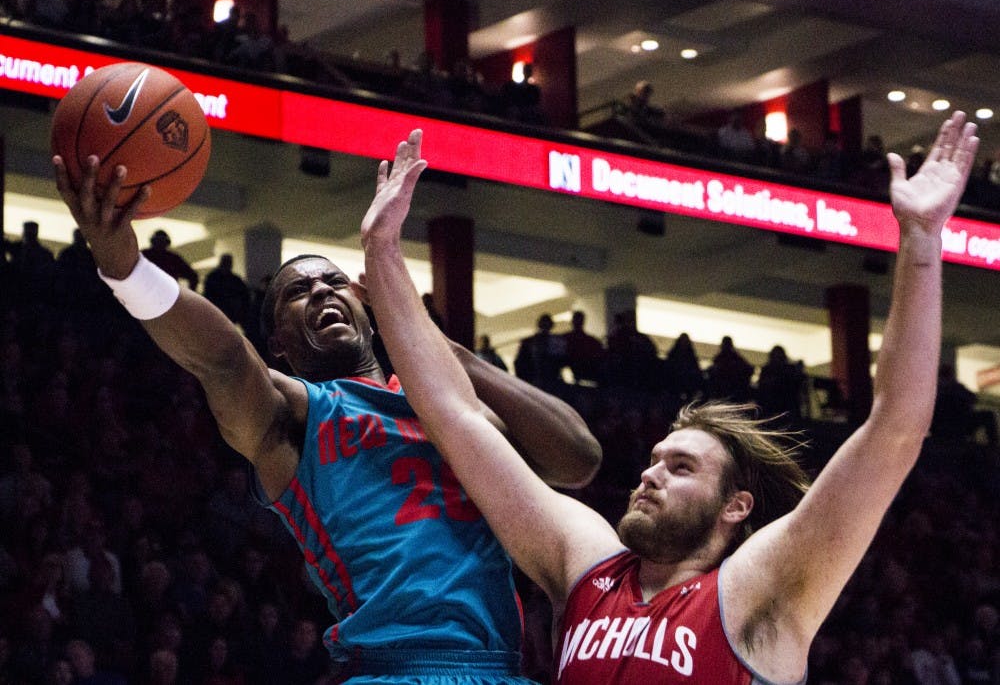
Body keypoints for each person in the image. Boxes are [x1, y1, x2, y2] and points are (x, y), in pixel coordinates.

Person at [360, 113, 978, 684]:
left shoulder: (761, 588)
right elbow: (457, 416)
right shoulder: (585, 562)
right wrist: (383, 253)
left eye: (681, 467)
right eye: (656, 460)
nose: (650, 475)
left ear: (735, 506)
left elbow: (895, 429)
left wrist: (921, 241)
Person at [51, 144, 601, 683]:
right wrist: (125, 269)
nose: (320, 290)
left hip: (498, 670)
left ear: (368, 307)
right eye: (299, 291)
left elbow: (578, 458)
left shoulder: (456, 411)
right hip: (391, 668)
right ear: (280, 344)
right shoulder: (294, 416)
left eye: (335, 282)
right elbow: (221, 358)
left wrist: (436, 344)